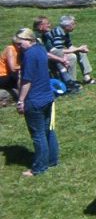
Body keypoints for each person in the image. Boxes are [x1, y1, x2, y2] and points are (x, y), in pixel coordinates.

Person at [14, 28, 59, 177]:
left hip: (34, 100)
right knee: (49, 131)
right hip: (48, 97)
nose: (18, 47)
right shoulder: (40, 49)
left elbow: (27, 81)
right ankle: (52, 160)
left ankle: (39, 167)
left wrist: (21, 101)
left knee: (38, 135)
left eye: (20, 44)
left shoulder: (28, 55)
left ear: (28, 40)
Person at [45, 14, 96, 86]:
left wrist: (80, 49)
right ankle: (72, 81)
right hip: (53, 56)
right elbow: (59, 50)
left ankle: (87, 78)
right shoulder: (58, 33)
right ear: (67, 26)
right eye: (73, 24)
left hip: (59, 52)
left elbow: (70, 46)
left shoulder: (65, 32)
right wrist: (78, 49)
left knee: (81, 52)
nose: (75, 25)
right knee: (72, 56)